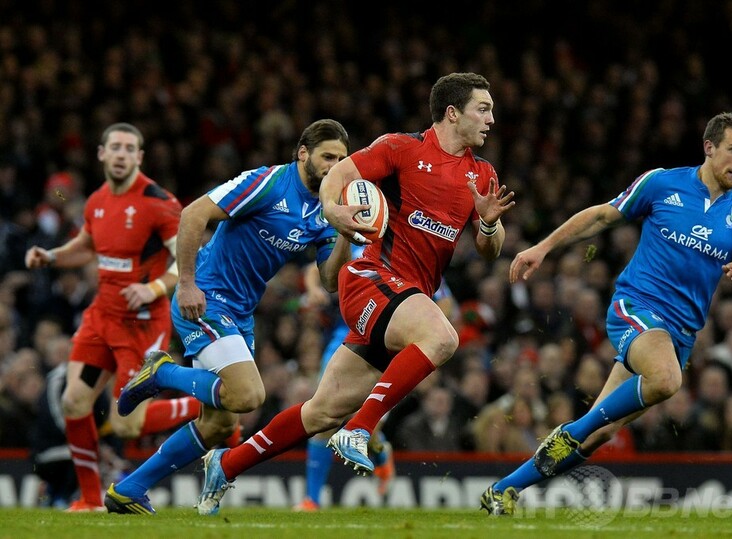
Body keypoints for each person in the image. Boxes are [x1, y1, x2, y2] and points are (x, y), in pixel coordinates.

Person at [194, 71, 515, 516]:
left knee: (321, 412)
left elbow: (489, 250)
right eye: (483, 109)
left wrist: (489, 224)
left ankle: (226, 464)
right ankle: (360, 430)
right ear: (452, 113)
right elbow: (339, 175)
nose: (491, 119)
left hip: (403, 301)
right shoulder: (401, 149)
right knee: (442, 337)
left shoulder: (481, 173)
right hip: (370, 278)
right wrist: (333, 210)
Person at [480, 112, 732, 516]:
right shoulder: (662, 183)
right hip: (636, 307)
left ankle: (503, 490)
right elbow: (603, 215)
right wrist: (543, 247)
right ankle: (572, 431)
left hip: (680, 334)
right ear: (709, 147)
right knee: (666, 380)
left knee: (600, 434)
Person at [103, 118, 353, 514]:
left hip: (240, 312)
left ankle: (128, 489)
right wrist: (187, 284)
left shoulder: (327, 209)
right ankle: (162, 372)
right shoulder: (268, 182)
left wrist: (345, 234)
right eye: (327, 157)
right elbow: (193, 214)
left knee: (220, 425)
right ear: (303, 153)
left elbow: (330, 281)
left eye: (341, 159)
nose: (334, 166)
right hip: (206, 298)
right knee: (249, 395)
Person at [24, 123, 203, 512]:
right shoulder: (97, 201)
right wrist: (51, 256)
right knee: (74, 402)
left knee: (126, 424)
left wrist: (154, 288)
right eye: (115, 147)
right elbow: (86, 246)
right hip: (101, 317)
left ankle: (205, 405)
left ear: (139, 157)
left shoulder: (158, 202)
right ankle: (89, 500)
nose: (122, 154)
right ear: (102, 154)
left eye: (129, 148)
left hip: (141, 324)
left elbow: (187, 258)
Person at [296, 253, 458, 511]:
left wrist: (427, 330)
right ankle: (311, 499)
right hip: (345, 341)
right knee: (325, 415)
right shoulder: (357, 247)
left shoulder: (410, 255)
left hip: (385, 345)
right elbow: (314, 270)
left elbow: (445, 301)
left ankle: (379, 449)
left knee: (365, 419)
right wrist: (314, 289)